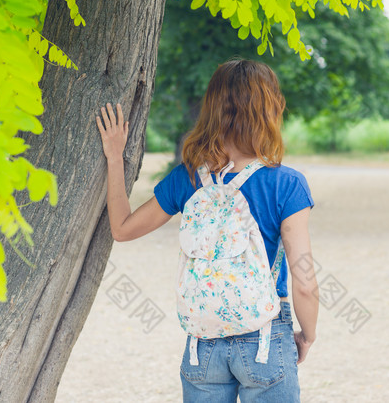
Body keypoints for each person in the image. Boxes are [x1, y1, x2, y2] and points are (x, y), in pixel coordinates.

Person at [96, 59, 319, 402]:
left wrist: (114, 157)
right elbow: (304, 279)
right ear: (269, 109)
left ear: (213, 109)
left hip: (203, 342)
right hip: (264, 337)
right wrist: (308, 333)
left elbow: (122, 229)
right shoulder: (286, 184)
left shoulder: (187, 178)